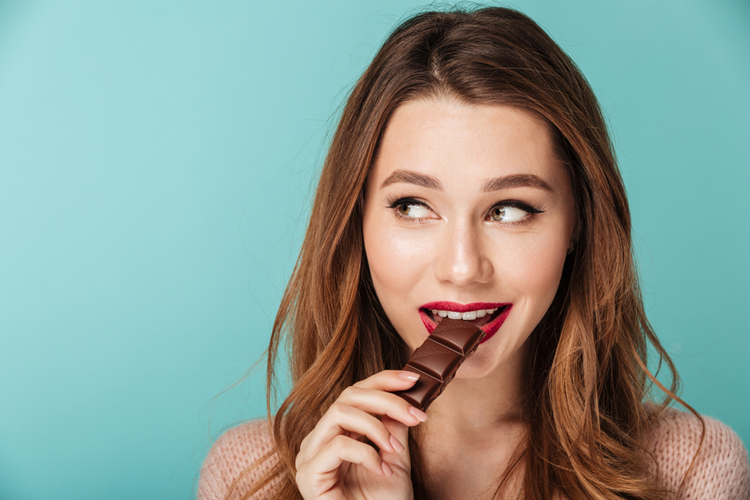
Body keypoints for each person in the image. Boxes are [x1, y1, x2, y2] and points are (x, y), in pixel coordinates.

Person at [197, 7, 750, 500]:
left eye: (509, 209)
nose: (462, 269)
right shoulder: (251, 479)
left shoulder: (690, 472)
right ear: (356, 221)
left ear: (577, 224)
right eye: (413, 206)